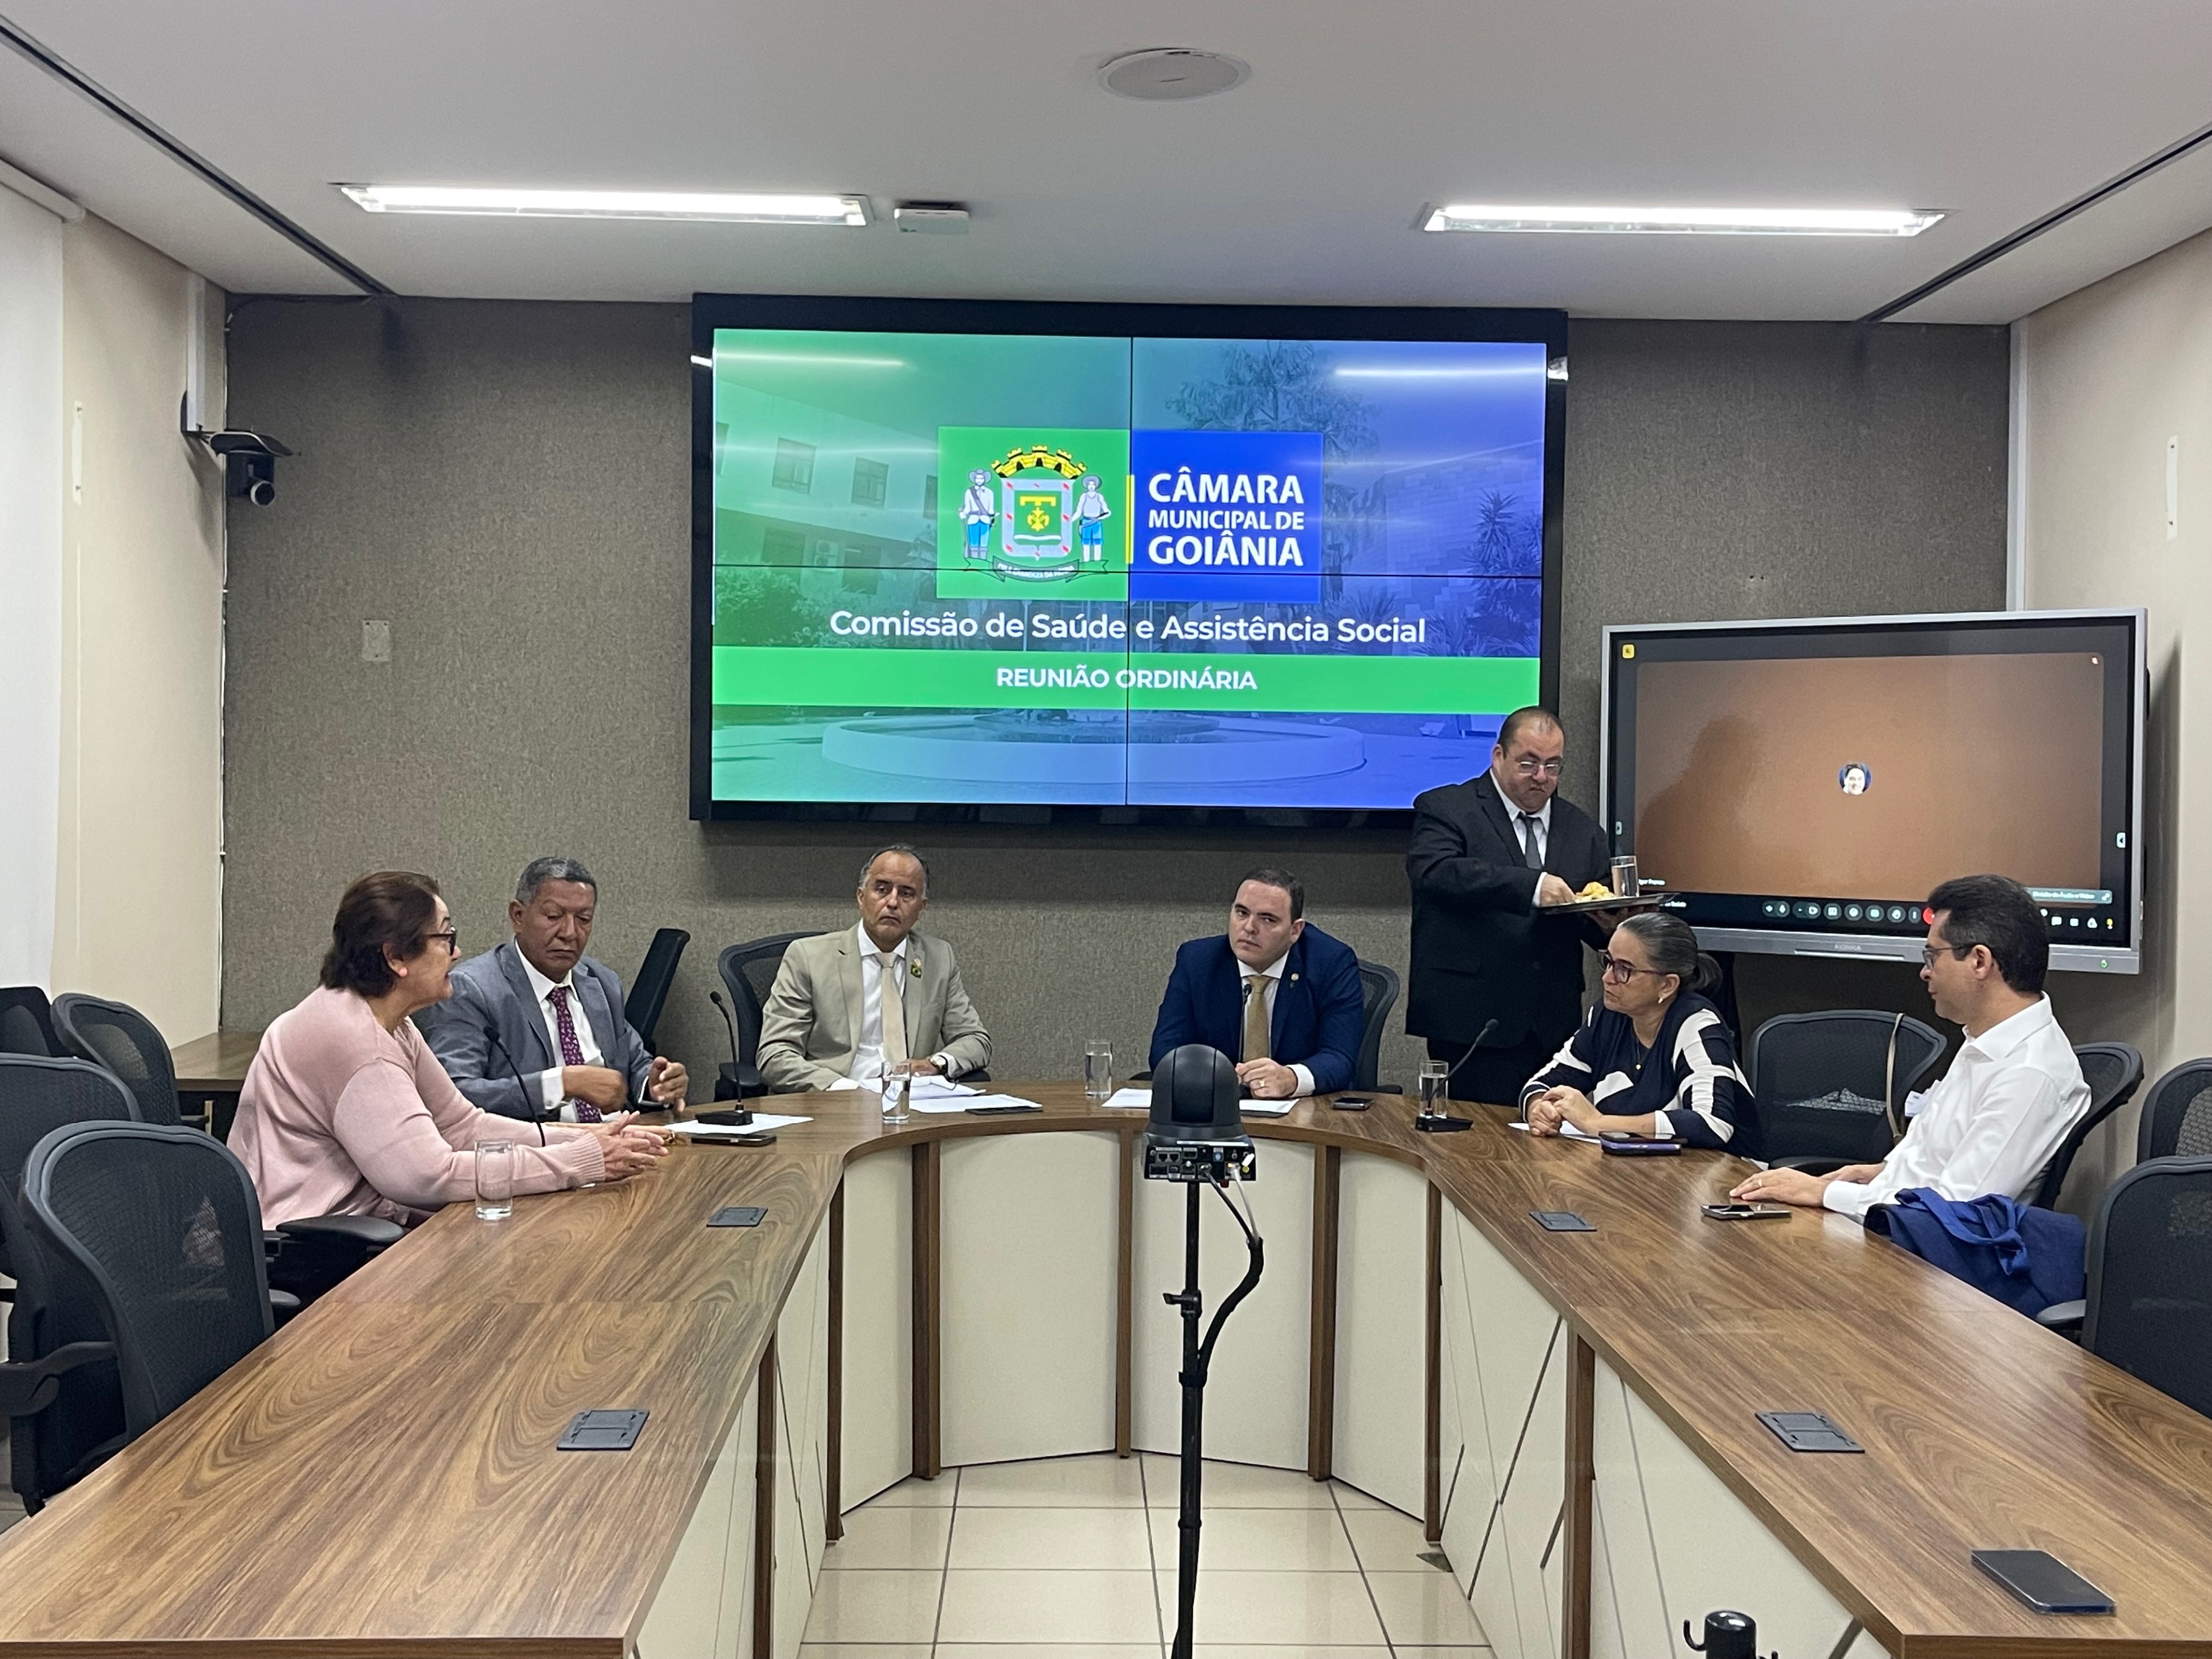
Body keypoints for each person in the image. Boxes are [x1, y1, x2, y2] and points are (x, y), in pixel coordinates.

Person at [229, 871, 668, 1228]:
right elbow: (429, 1176)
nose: (456, 953)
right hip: (311, 1250)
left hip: (359, 1231)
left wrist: (586, 1139)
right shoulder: (352, 1039)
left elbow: (461, 1125)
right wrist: (580, 1161)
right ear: (396, 957)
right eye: (445, 938)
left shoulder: (389, 1022)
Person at [1730, 874, 2090, 1218]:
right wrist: (1879, 1173)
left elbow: (1954, 1211)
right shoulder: (1987, 1038)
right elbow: (1938, 1162)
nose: (1925, 971)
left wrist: (1824, 1193)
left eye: (1933, 956)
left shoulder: (2029, 1073)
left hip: (1913, 1251)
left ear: (1979, 961)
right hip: (1891, 1218)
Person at [1406, 707, 1614, 1105]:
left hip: (1554, 1023)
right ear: (1498, 755)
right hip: (1473, 1020)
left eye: (1553, 766)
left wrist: (1610, 923)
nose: (1541, 777)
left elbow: (1590, 914)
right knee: (1477, 1138)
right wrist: (1532, 886)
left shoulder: (1584, 830)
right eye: (1529, 763)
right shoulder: (1447, 808)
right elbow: (1436, 872)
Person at [416, 856, 688, 1123]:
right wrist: (560, 1084)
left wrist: (655, 1084)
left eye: (584, 919)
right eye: (554, 916)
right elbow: (454, 1094)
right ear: (518, 916)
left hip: (621, 1136)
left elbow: (634, 1064)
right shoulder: (473, 989)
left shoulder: (601, 982)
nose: (570, 933)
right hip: (544, 1145)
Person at [756, 845, 991, 1093]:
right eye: (882, 889)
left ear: (921, 908)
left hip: (911, 1102)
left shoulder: (939, 958)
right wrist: (845, 1090)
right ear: (861, 897)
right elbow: (775, 1055)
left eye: (907, 894)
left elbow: (975, 1040)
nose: (893, 902)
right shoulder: (808, 957)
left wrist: (935, 1064)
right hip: (835, 1098)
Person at [1523, 911, 1757, 1153]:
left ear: (1667, 985)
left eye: (1624, 970)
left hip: (1722, 1171)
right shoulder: (1608, 1015)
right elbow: (1542, 1083)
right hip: (1638, 1168)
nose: (1607, 978)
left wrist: (1598, 1123)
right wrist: (1539, 1108)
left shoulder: (1695, 1023)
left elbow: (1713, 1124)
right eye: (1608, 962)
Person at [1148, 868, 1367, 1100]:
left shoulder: (1331, 963)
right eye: (1242, 913)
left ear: (1295, 931)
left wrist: (1292, 1078)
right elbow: (1165, 1050)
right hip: (1216, 1104)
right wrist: (1212, 1077)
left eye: (1267, 919)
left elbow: (1340, 1057)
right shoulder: (1197, 961)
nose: (1249, 927)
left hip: (1305, 1108)